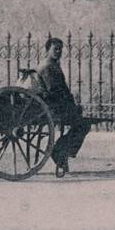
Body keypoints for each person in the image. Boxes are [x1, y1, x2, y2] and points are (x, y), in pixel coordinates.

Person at [36, 36, 91, 177]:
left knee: (82, 123)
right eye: (55, 49)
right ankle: (58, 151)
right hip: (53, 107)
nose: (58, 52)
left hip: (58, 105)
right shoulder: (48, 67)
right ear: (47, 50)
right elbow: (54, 91)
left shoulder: (53, 65)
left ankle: (61, 151)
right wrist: (70, 106)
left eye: (60, 49)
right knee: (83, 125)